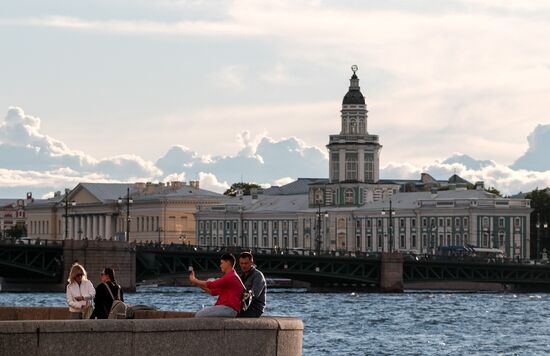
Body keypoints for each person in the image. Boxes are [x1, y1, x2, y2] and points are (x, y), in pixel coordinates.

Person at [189, 253, 243, 317]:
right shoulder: (231, 276)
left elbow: (212, 284)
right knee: (200, 314)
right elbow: (213, 292)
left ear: (228, 263)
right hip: (228, 309)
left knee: (199, 315)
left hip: (229, 309)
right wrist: (197, 283)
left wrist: (195, 280)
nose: (220, 265)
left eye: (222, 263)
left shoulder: (231, 276)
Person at [238, 251, 267, 318]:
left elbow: (254, 295)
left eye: (246, 263)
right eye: (241, 263)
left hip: (255, 309)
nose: (243, 265)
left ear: (252, 263)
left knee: (232, 314)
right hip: (244, 307)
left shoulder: (258, 275)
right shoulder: (241, 275)